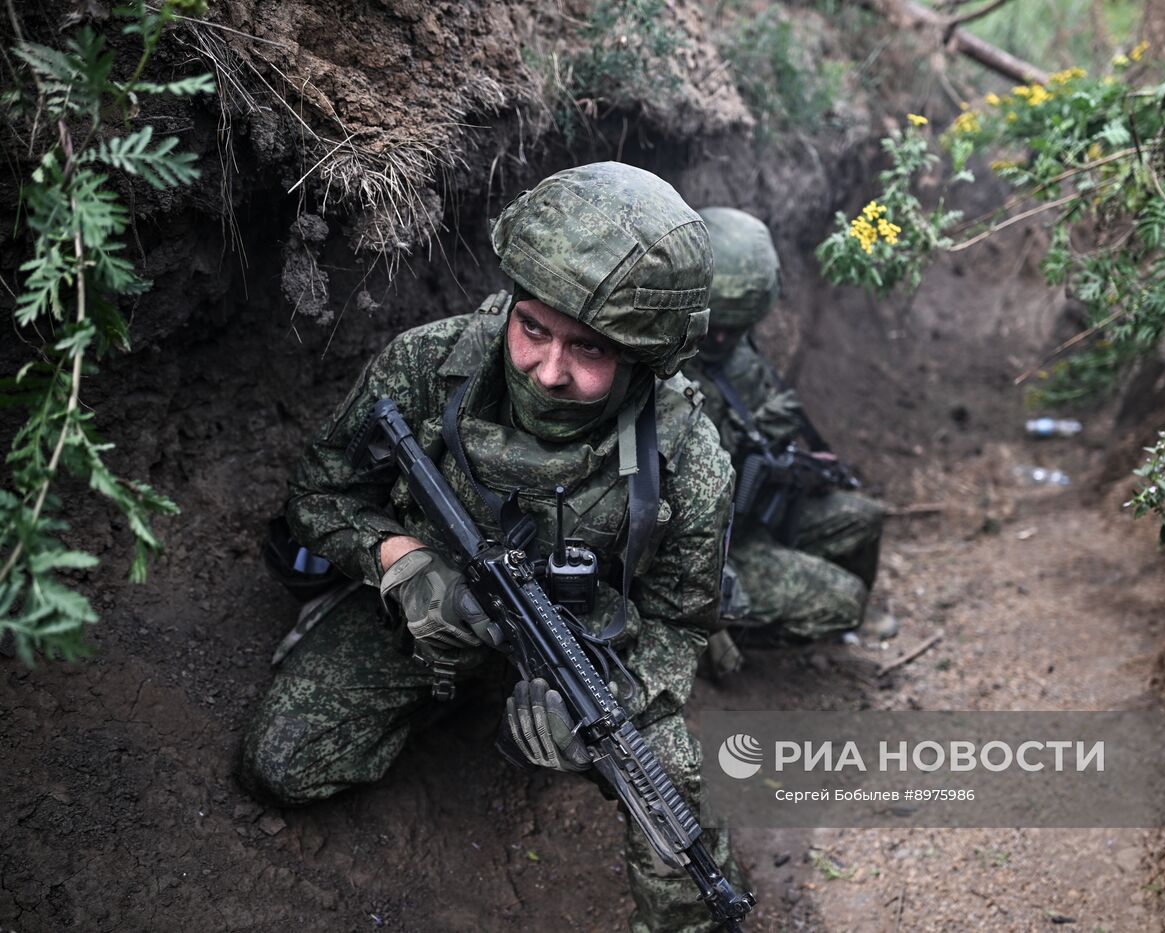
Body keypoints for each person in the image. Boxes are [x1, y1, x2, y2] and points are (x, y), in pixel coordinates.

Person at [240, 162, 744, 932]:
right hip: (433, 613)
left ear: (648, 356)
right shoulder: (428, 363)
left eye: (590, 349)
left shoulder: (689, 458)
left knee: (669, 787)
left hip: (584, 652)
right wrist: (399, 561)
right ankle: (455, 694)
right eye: (533, 327)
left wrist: (608, 714)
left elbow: (679, 622)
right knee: (281, 761)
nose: (548, 371)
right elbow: (318, 492)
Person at [684, 207, 897, 671]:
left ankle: (833, 619)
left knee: (864, 517)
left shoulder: (739, 352)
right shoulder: (667, 370)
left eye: (734, 327)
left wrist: (791, 462)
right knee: (843, 600)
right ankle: (731, 635)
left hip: (757, 509)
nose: (721, 338)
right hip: (712, 544)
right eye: (716, 326)